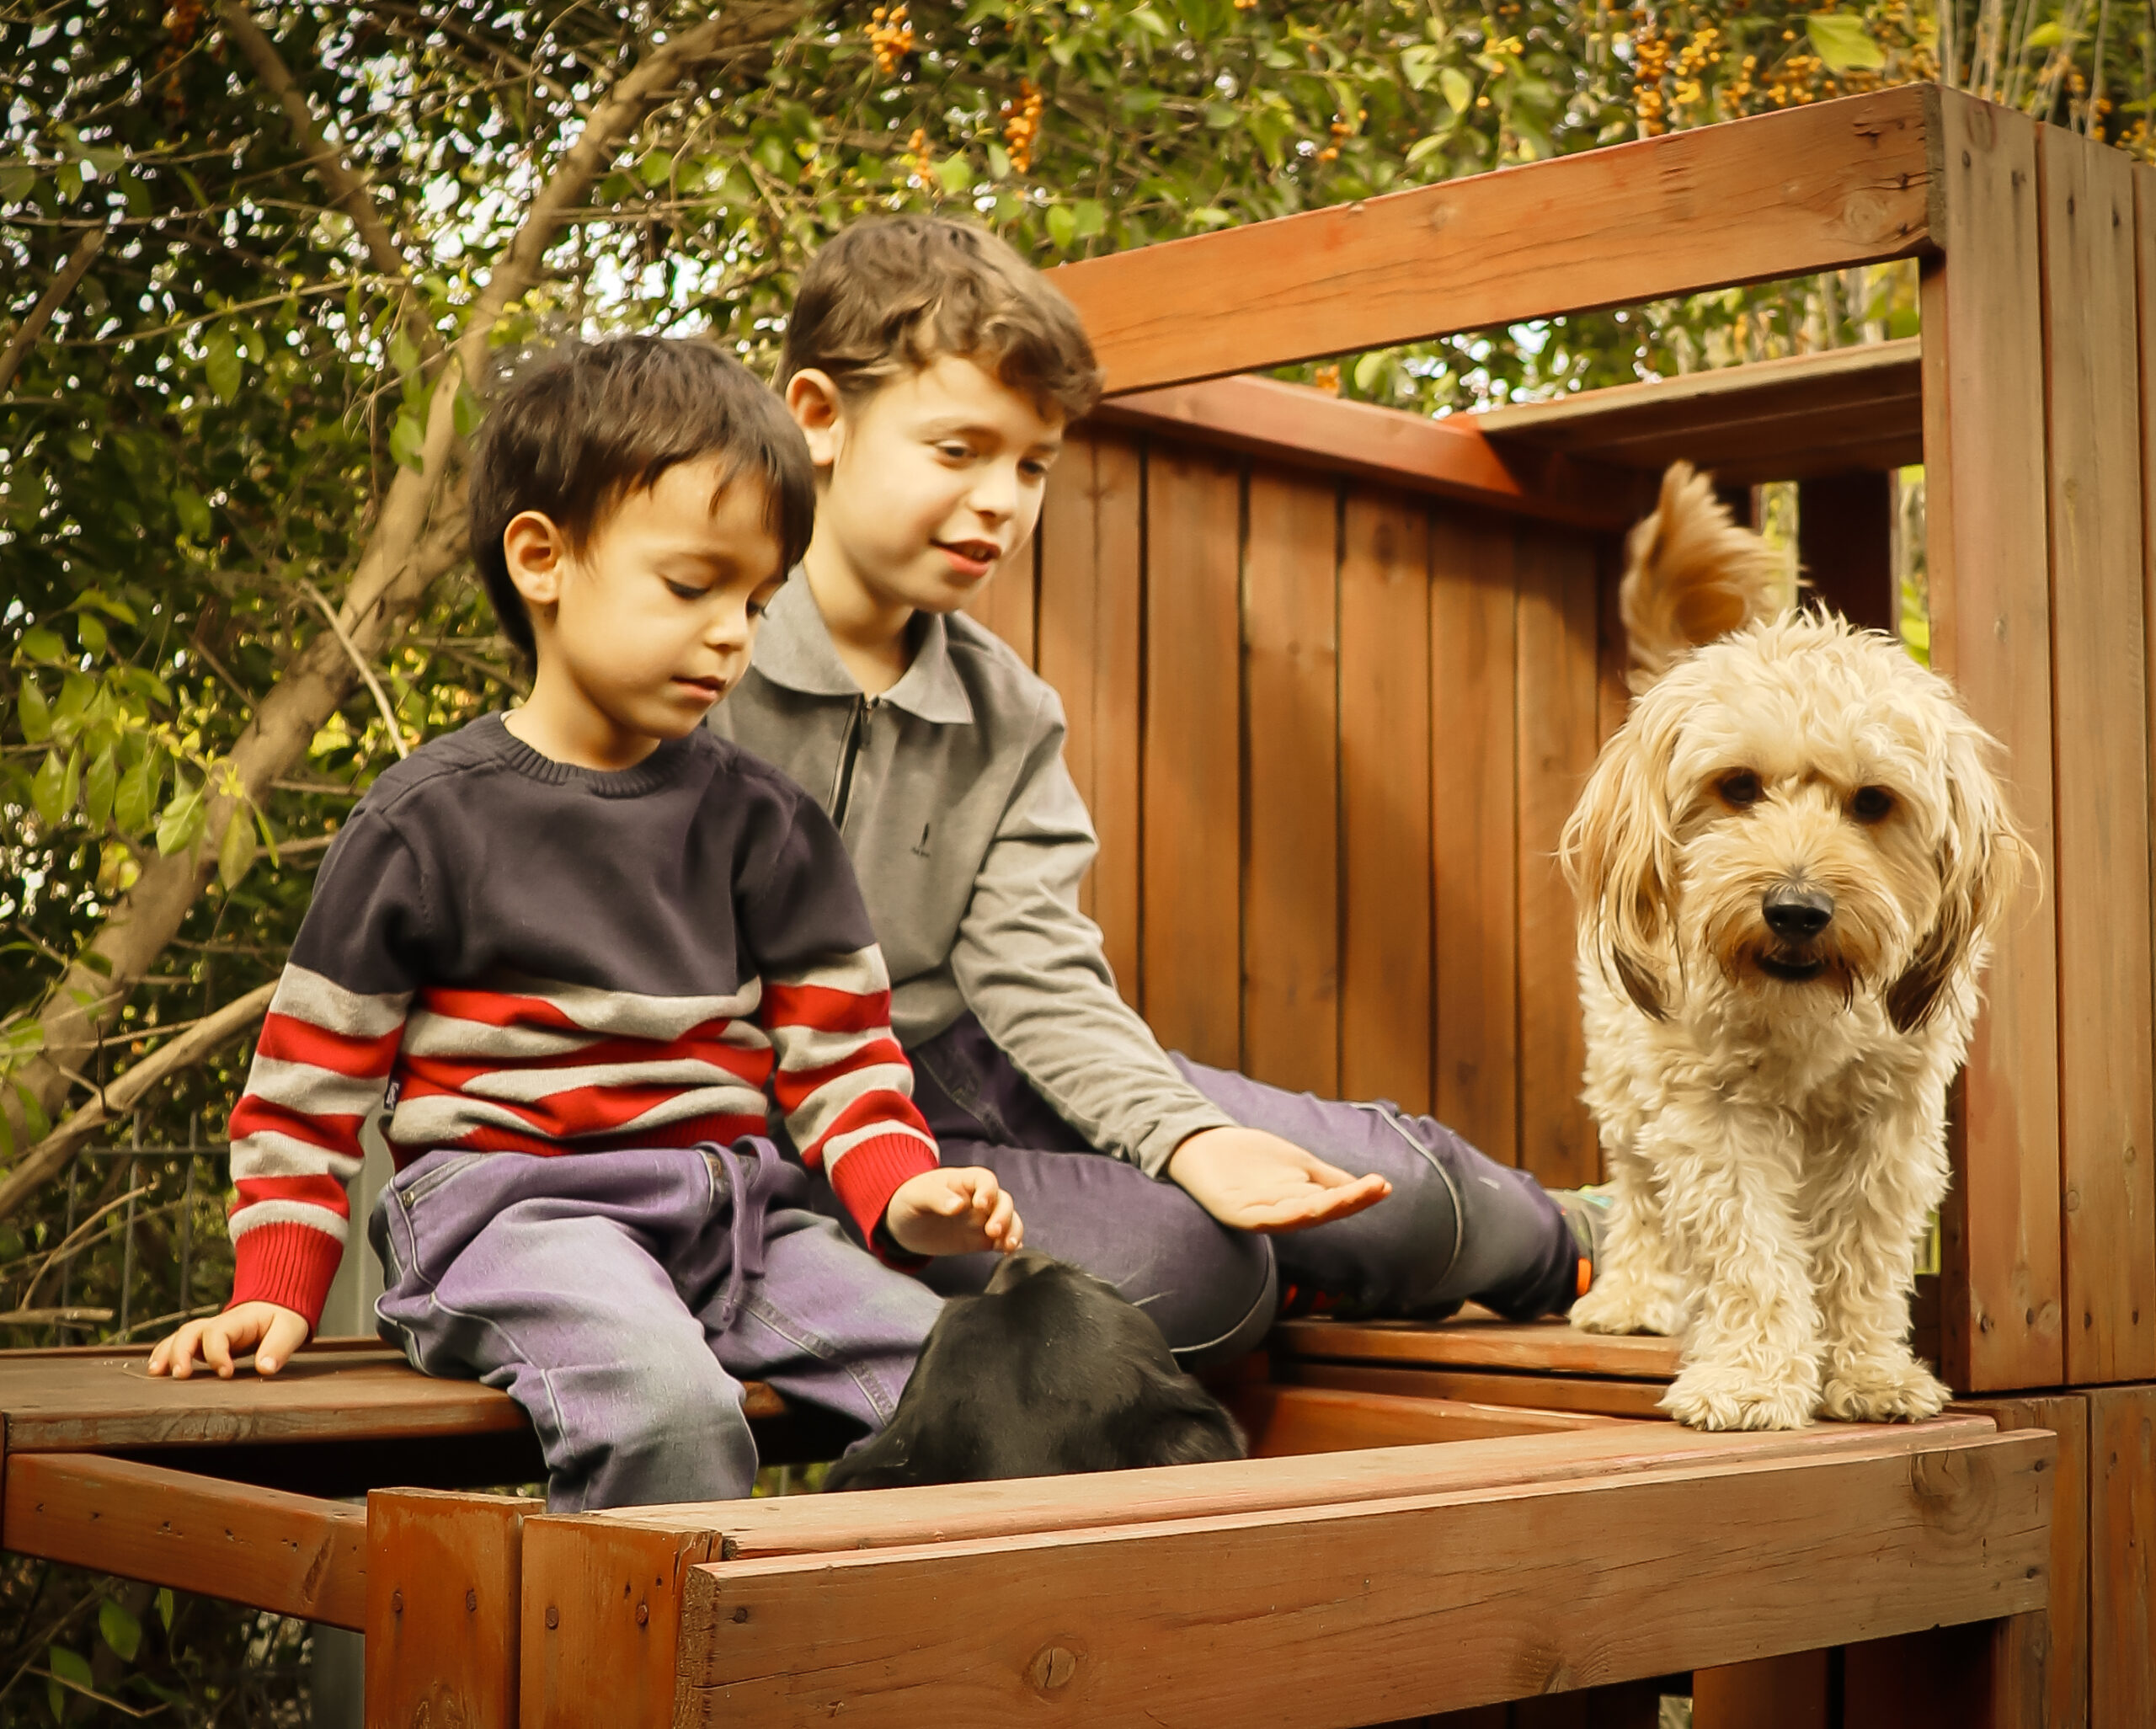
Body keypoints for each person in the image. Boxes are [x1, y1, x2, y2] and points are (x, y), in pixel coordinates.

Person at [711, 216, 1607, 1369]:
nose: (1003, 500)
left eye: (1032, 464)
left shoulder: (1009, 713)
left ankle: (1590, 1238)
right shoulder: (696, 661)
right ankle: (1291, 1275)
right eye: (958, 449)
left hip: (992, 1065)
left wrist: (1185, 1137)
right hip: (819, 1145)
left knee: (1404, 1196)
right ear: (819, 418)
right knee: (1196, 1271)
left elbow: (1038, 980)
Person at [149, 336, 1021, 1511]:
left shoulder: (766, 824)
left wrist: (901, 1192)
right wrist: (277, 1281)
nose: (732, 633)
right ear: (542, 558)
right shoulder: (426, 823)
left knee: (963, 1393)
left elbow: (845, 1060)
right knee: (668, 1411)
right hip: (510, 1214)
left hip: (735, 1217)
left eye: (756, 601)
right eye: (692, 584)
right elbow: (311, 1078)